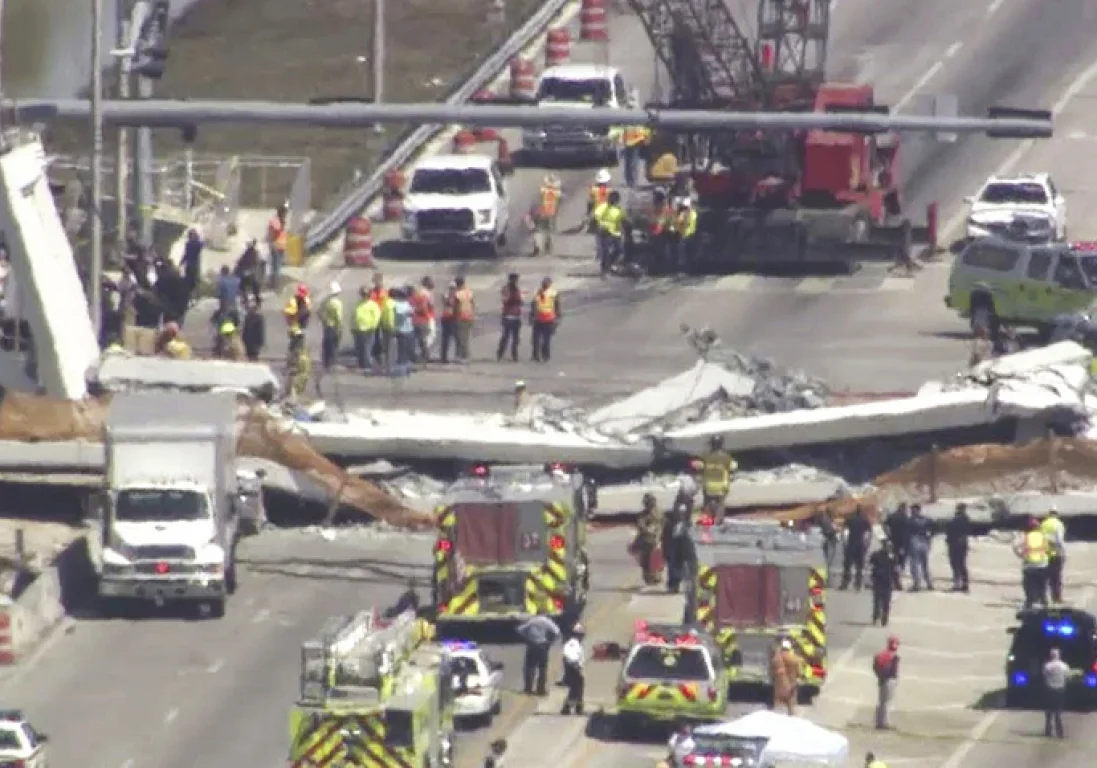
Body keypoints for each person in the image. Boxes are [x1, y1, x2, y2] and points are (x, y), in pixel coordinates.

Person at [515, 614, 560, 696]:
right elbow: (557, 631)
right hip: (543, 646)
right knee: (542, 668)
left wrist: (527, 637)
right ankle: (541, 690)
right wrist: (550, 641)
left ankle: (528, 689)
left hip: (532, 645)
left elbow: (520, 629)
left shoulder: (532, 620)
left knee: (529, 667)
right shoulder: (547, 621)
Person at [1014, 517, 1049, 609]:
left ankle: (1029, 604)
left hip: (1029, 565)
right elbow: (1047, 548)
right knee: (1042, 586)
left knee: (1029, 587)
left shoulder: (1025, 537)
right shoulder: (1043, 536)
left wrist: (1020, 555)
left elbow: (1015, 546)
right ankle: (1044, 603)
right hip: (1042, 565)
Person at [699, 437, 735, 523]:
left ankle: (707, 520)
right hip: (722, 484)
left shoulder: (705, 456)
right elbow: (732, 468)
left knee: (707, 502)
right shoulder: (726, 457)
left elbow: (700, 467)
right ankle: (718, 521)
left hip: (708, 484)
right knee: (720, 503)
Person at [633, 493, 664, 585]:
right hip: (646, 540)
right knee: (646, 560)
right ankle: (648, 576)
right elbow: (640, 525)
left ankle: (656, 576)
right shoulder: (643, 515)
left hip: (656, 539)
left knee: (656, 558)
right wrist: (647, 530)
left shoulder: (658, 513)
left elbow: (662, 523)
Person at [1042, 647, 1071, 738]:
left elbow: (1044, 676)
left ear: (1051, 655)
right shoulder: (1064, 666)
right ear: (1059, 655)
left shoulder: (1047, 666)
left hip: (1050, 690)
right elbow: (1068, 677)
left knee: (1049, 712)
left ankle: (1048, 731)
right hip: (1060, 690)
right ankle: (1060, 732)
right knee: (1058, 712)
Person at [596, 191, 626, 276]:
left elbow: (624, 219)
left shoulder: (619, 209)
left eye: (615, 200)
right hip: (605, 232)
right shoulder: (603, 207)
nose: (613, 201)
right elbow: (596, 217)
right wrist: (601, 225)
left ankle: (610, 264)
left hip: (616, 233)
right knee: (605, 251)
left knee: (619, 250)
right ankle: (604, 269)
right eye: (612, 199)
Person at [841, 506, 871, 591]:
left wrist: (844, 542)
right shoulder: (865, 521)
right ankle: (858, 584)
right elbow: (868, 534)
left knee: (847, 565)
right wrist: (866, 545)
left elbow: (844, 531)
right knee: (859, 566)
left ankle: (845, 583)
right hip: (860, 544)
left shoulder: (850, 519)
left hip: (851, 543)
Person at [872, 635, 900, 730]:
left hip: (882, 680)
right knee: (886, 703)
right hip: (889, 680)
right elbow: (893, 671)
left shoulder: (882, 654)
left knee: (881, 702)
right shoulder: (893, 656)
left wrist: (879, 676)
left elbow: (875, 666)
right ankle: (884, 723)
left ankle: (879, 721)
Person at [530, 277, 559, 363]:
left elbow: (557, 305)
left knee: (546, 340)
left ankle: (545, 355)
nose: (545, 285)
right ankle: (536, 355)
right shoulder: (537, 292)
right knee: (535, 339)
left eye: (547, 283)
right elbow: (533, 304)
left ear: (550, 284)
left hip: (549, 319)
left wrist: (557, 318)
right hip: (538, 318)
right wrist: (531, 316)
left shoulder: (553, 293)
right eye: (544, 283)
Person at [353, 286, 382, 371]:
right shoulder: (358, 304)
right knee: (359, 347)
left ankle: (367, 365)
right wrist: (353, 326)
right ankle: (361, 363)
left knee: (367, 347)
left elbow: (377, 316)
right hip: (358, 329)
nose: (364, 296)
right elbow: (353, 316)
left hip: (369, 329)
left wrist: (373, 326)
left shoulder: (373, 305)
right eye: (363, 294)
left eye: (365, 294)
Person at [531, 174, 561, 256]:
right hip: (551, 213)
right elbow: (558, 202)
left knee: (537, 229)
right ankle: (547, 244)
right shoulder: (557, 192)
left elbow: (538, 200)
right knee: (548, 230)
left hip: (543, 212)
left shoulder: (543, 189)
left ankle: (537, 246)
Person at [907, 504, 934, 591]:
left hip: (914, 541)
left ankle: (917, 584)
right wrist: (929, 538)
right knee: (925, 564)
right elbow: (933, 528)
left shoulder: (910, 521)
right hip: (924, 542)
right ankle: (929, 583)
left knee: (914, 564)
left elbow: (906, 534)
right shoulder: (926, 519)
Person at [1042, 507, 1066, 604]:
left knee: (1046, 577)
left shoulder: (1044, 524)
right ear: (1057, 514)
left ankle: (1044, 598)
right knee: (1056, 577)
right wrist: (1064, 551)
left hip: (1046, 553)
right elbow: (1059, 540)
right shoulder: (1058, 524)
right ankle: (1056, 598)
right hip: (1056, 553)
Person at [560, 624, 586, 715]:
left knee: (578, 688)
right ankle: (568, 707)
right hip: (573, 669)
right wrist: (575, 665)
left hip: (574, 668)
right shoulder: (572, 643)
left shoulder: (576, 643)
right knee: (576, 688)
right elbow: (569, 655)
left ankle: (577, 706)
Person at [770, 639, 801, 715]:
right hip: (791, 686)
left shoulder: (776, 659)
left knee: (778, 706)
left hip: (779, 685)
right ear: (789, 648)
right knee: (791, 707)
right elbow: (799, 673)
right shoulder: (794, 658)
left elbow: (771, 672)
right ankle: (791, 720)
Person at [945, 502, 971, 592]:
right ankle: (963, 583)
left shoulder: (960, 519)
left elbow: (951, 529)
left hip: (956, 543)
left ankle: (958, 582)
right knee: (961, 564)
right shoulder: (965, 519)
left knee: (956, 564)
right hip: (960, 543)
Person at [497, 273, 523, 362]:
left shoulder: (517, 289)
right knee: (505, 337)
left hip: (516, 316)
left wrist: (518, 299)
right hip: (508, 316)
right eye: (514, 280)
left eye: (516, 280)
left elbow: (520, 301)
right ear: (510, 279)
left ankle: (514, 355)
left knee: (516, 338)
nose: (516, 281)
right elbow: (505, 300)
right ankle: (500, 354)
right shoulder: (506, 289)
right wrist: (514, 298)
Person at [319, 281, 344, 371]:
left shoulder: (325, 301)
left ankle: (326, 363)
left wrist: (324, 320)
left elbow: (319, 313)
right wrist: (340, 326)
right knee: (334, 345)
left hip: (326, 326)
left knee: (327, 344)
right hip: (334, 326)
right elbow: (338, 317)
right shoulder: (337, 303)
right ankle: (332, 363)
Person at [885, 503, 910, 590]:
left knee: (892, 562)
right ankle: (897, 583)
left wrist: (888, 536)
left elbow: (885, 526)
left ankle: (893, 582)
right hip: (901, 545)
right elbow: (907, 533)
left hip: (892, 543)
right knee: (899, 564)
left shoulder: (891, 516)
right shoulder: (905, 518)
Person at [410, 277, 435, 362]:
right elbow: (427, 306)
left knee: (421, 338)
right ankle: (425, 355)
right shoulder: (424, 293)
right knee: (426, 337)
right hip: (425, 318)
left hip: (420, 318)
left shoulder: (421, 292)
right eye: (431, 282)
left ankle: (422, 355)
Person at [391, 288, 415, 376]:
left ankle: (407, 368)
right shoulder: (397, 304)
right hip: (401, 330)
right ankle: (400, 371)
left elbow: (412, 312)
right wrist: (409, 312)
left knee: (409, 350)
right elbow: (401, 314)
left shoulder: (406, 303)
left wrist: (411, 311)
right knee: (402, 351)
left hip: (409, 330)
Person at [671, 198, 698, 273]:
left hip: (690, 235)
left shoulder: (692, 214)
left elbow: (692, 227)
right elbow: (675, 225)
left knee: (683, 245)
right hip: (682, 235)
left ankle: (684, 264)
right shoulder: (680, 214)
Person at [266, 202, 289, 289]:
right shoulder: (277, 220)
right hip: (277, 246)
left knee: (275, 266)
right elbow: (277, 230)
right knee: (276, 266)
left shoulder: (277, 220)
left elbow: (275, 231)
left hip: (278, 246)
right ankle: (274, 284)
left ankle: (274, 283)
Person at [621, 123, 650, 187]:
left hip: (635, 142)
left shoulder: (637, 124)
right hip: (631, 142)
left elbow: (644, 133)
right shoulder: (631, 125)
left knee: (632, 163)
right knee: (630, 163)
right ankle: (631, 181)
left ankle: (632, 181)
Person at [454, 276, 475, 362]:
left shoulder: (458, 294)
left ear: (457, 284)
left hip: (461, 316)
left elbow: (457, 306)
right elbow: (473, 303)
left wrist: (455, 316)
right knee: (465, 337)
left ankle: (464, 356)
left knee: (461, 338)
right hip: (469, 316)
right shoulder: (469, 292)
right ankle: (460, 355)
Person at [439, 280, 459, 364]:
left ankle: (455, 356)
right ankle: (444, 357)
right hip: (447, 318)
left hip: (452, 318)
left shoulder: (455, 295)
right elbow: (449, 303)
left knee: (455, 338)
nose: (452, 290)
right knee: (446, 339)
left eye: (453, 288)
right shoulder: (447, 295)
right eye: (451, 288)